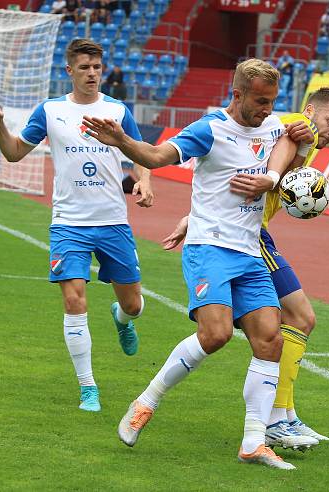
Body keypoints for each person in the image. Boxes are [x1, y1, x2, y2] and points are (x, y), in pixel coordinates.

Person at [81, 58, 315, 470]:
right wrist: (121, 142)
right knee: (216, 334)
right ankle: (145, 402)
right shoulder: (209, 129)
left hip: (248, 251)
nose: (266, 108)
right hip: (209, 247)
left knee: (270, 340)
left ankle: (254, 442)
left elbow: (291, 148)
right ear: (237, 94)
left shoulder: (276, 127)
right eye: (260, 101)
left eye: (272, 101)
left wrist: (285, 161)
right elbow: (155, 156)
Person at [160, 87, 329, 452]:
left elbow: (244, 169)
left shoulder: (304, 141)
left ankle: (284, 414)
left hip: (251, 232)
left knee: (299, 320)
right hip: (246, 239)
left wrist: (193, 216)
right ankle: (277, 419)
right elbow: (260, 161)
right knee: (300, 316)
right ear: (309, 110)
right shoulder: (295, 126)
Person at [0, 39, 153, 413]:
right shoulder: (50, 110)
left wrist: (145, 181)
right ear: (69, 71)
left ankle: (123, 319)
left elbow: (140, 154)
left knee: (135, 304)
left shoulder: (118, 111)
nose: (92, 73)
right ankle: (88, 387)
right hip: (68, 224)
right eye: (84, 67)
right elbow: (13, 153)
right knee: (74, 300)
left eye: (96, 67)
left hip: (113, 222)